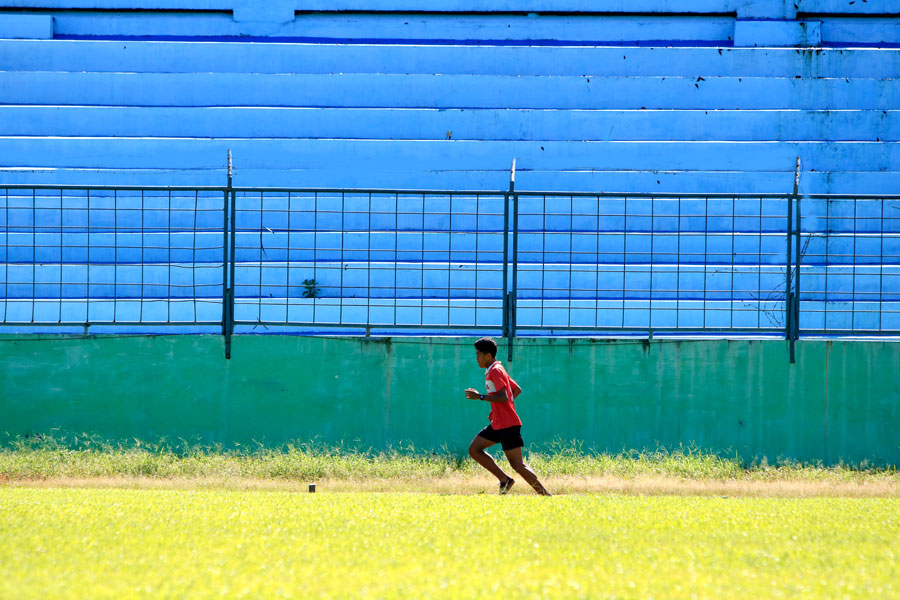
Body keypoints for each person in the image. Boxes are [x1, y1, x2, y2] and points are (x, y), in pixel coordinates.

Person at [464, 337, 551, 496]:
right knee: (474, 450)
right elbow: (516, 390)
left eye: (478, 354)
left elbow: (504, 397)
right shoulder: (495, 369)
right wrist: (498, 409)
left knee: (518, 465)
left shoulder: (496, 371)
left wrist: (480, 397)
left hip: (508, 425)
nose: (476, 358)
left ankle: (545, 494)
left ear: (488, 355)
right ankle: (505, 480)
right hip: (498, 423)